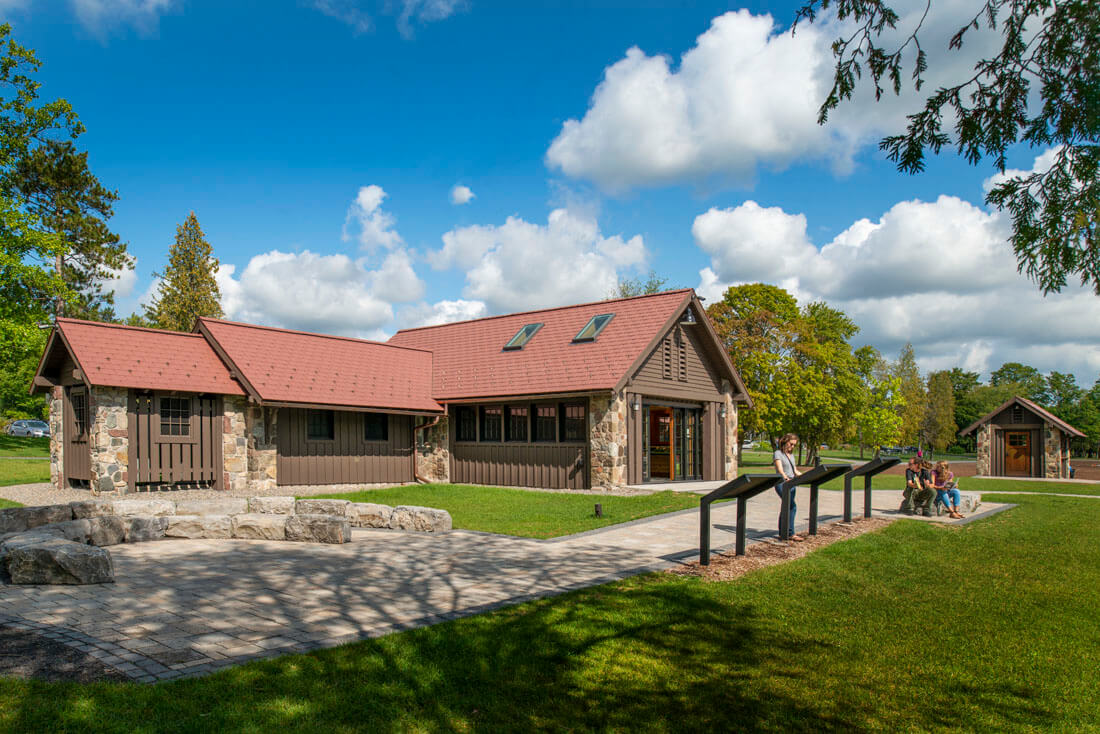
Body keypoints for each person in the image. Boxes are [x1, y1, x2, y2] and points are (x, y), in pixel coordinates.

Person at [773, 433, 804, 541]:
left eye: (794, 445)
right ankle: (790, 533)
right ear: (785, 442)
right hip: (782, 484)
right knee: (792, 506)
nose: (792, 447)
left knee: (786, 507)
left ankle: (782, 532)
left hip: (792, 483)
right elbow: (780, 470)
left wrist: (805, 476)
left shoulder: (791, 456)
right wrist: (786, 478)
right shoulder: (778, 454)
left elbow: (794, 470)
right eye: (791, 444)